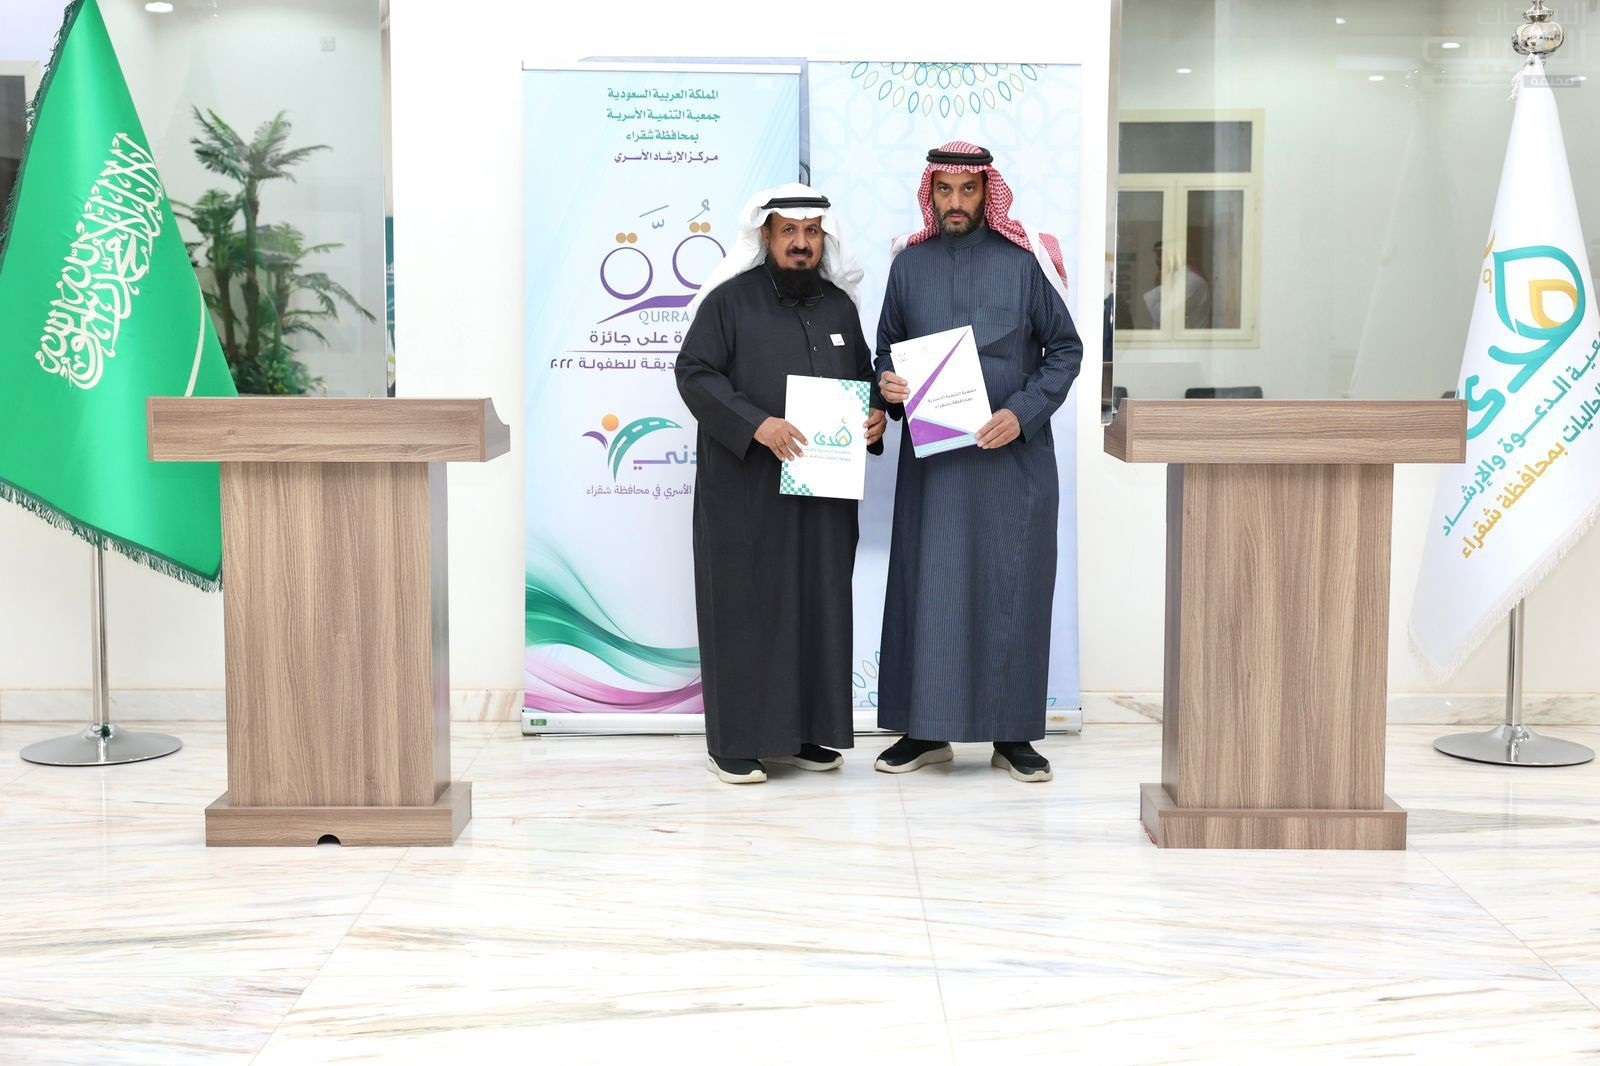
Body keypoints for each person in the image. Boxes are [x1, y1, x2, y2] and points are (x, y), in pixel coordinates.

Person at [872, 142, 1083, 783]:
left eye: (968, 190)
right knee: (929, 589)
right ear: (930, 194)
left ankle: (1013, 735)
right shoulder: (909, 267)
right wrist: (888, 384)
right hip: (935, 469)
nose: (956, 202)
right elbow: (886, 352)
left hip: (1013, 463)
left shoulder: (1025, 263)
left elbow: (1066, 350)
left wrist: (1022, 412)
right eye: (945, 191)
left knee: (1012, 590)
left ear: (987, 192)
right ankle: (924, 731)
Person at [676, 183, 886, 784]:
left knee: (817, 607)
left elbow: (863, 379)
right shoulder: (730, 301)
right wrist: (757, 424)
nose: (801, 243)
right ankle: (736, 742)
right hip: (747, 491)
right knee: (746, 608)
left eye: (811, 232)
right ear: (765, 236)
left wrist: (874, 417)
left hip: (823, 496)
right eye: (789, 231)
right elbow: (694, 373)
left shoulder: (839, 308)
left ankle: (803, 734)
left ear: (824, 238)